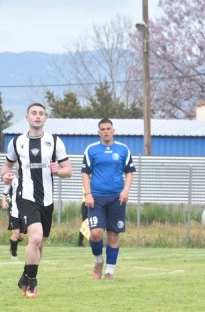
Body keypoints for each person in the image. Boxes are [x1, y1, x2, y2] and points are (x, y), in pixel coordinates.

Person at [2, 103, 72, 298]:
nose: (37, 116)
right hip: (26, 197)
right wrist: (5, 176)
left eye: (41, 113)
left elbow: (69, 170)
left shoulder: (55, 141)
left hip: (47, 201)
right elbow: (6, 167)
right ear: (27, 117)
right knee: (35, 238)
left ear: (45, 118)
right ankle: (32, 284)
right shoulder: (17, 142)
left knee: (40, 244)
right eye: (34, 113)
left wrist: (59, 171)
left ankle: (25, 276)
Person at [81, 118, 136, 280]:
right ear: (99, 132)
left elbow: (129, 172)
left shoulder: (123, 149)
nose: (106, 131)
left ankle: (110, 272)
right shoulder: (91, 149)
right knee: (96, 233)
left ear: (113, 131)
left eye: (108, 128)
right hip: (96, 198)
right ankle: (98, 261)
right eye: (103, 129)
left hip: (117, 198)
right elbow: (85, 173)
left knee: (113, 235)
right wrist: (88, 194)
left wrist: (126, 190)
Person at [2, 174, 23, 258]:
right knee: (15, 232)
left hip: (24, 210)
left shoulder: (28, 177)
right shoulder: (11, 178)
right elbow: (5, 193)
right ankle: (13, 254)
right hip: (14, 209)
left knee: (21, 236)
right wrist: (4, 201)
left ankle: (12, 244)